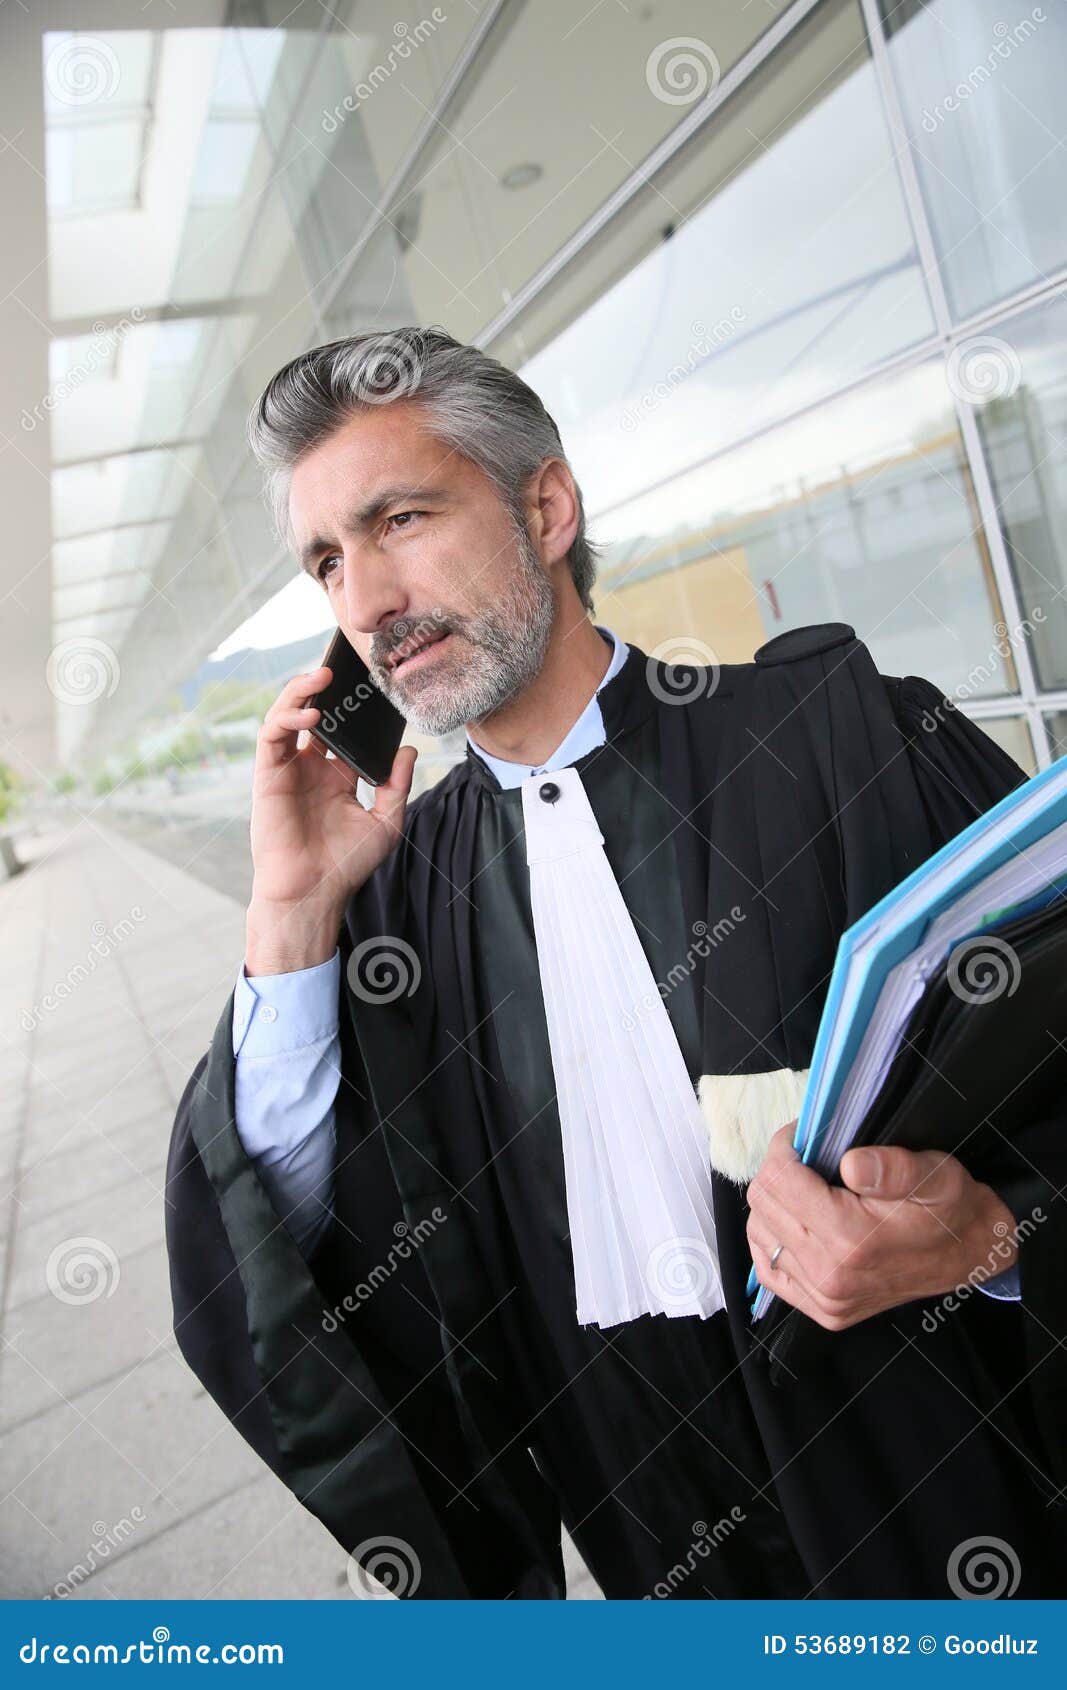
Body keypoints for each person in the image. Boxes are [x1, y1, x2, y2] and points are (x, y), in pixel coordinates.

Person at [165, 327, 1067, 1601]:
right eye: (326, 563)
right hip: (647, 1555)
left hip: (944, 1517)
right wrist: (289, 919)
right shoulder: (389, 905)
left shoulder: (846, 736)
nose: (365, 604)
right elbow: (295, 1257)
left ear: (544, 506)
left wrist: (988, 1237)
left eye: (400, 518)